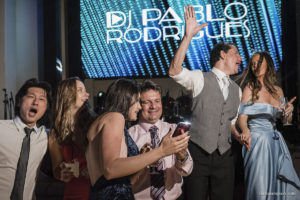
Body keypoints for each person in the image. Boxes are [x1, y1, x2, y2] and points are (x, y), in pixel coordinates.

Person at [168, 5, 243, 200]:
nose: (240, 58)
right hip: (197, 154)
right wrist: (188, 37)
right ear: (222, 55)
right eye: (235, 53)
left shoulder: (238, 90)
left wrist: (239, 135)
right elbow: (174, 71)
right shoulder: (200, 78)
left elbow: (231, 123)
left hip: (225, 157)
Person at [86, 79, 190, 200]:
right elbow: (110, 168)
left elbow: (125, 177)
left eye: (157, 101)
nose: (139, 106)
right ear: (127, 99)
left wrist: (144, 158)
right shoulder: (116, 117)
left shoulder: (101, 121)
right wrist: (161, 151)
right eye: (137, 101)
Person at [237, 51, 300, 199]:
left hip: (276, 143)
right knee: (260, 186)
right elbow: (241, 118)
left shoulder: (278, 90)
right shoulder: (250, 88)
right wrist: (245, 130)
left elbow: (286, 121)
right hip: (257, 142)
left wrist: (288, 111)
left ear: (268, 64)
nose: (255, 66)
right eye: (252, 64)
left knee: (279, 185)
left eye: (258, 62)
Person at [128, 80, 193, 200]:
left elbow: (187, 170)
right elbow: (126, 176)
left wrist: (182, 156)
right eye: (147, 102)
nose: (153, 106)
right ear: (138, 104)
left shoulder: (173, 129)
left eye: (157, 101)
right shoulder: (130, 135)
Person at [0, 78, 51, 200]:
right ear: (18, 101)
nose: (36, 102)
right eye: (31, 96)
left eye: (42, 99)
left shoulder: (47, 137)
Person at [48, 77, 97, 199]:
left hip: (96, 189)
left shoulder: (94, 123)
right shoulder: (55, 132)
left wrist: (94, 167)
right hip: (74, 192)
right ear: (67, 95)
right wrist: (60, 173)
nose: (87, 94)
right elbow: (56, 168)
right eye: (80, 90)